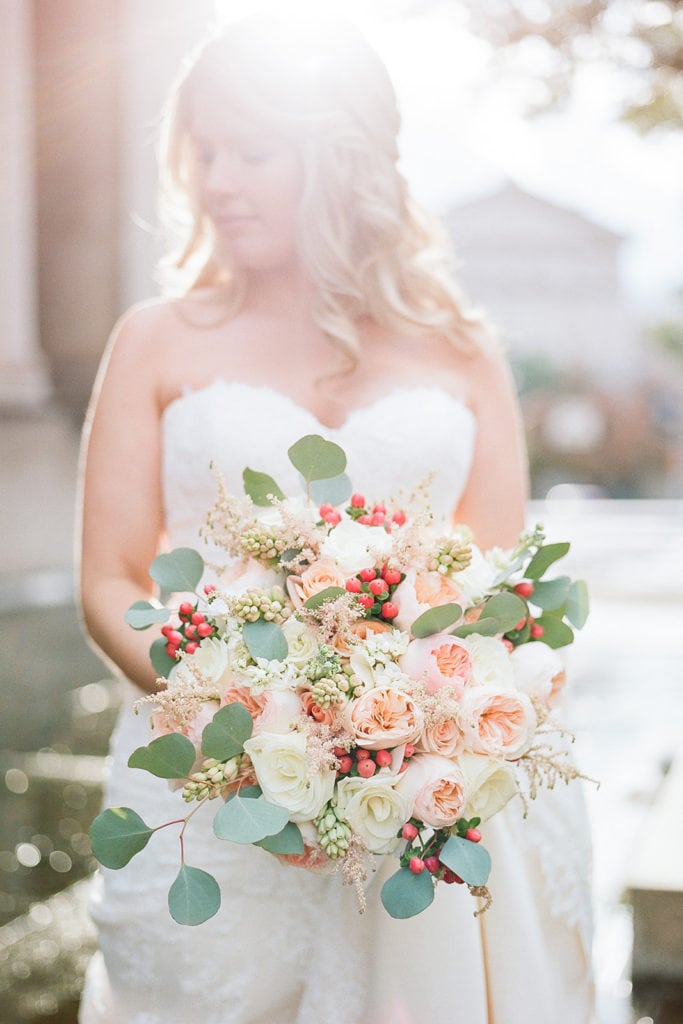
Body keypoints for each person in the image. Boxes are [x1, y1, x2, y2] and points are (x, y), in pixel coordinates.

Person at [78, 11, 593, 1023]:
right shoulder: (154, 340)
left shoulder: (461, 351)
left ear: (339, 156)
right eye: (203, 152)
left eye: (250, 151)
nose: (216, 180)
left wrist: (415, 745)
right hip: (202, 795)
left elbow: (498, 601)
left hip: (412, 809)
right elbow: (109, 579)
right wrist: (239, 735)